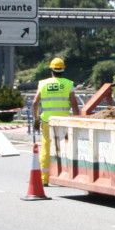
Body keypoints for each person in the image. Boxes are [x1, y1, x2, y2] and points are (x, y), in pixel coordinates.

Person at [32, 57, 80, 186]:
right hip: (64, 122)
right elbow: (74, 105)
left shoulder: (43, 83)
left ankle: (44, 178)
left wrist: (36, 119)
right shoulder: (69, 84)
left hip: (47, 121)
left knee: (46, 147)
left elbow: (35, 103)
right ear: (63, 70)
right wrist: (77, 120)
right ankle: (65, 177)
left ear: (51, 70)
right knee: (64, 148)